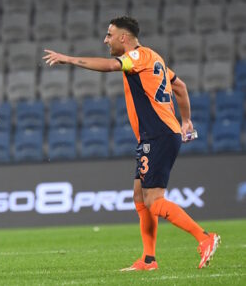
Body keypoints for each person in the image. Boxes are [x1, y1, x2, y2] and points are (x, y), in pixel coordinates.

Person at [43, 16, 220, 271]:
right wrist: (187, 120)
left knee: (154, 201)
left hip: (158, 134)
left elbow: (110, 66)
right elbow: (179, 86)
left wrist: (68, 59)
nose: (106, 39)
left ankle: (204, 237)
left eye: (109, 35)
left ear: (123, 38)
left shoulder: (138, 57)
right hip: (157, 134)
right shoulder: (155, 58)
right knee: (140, 195)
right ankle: (148, 260)